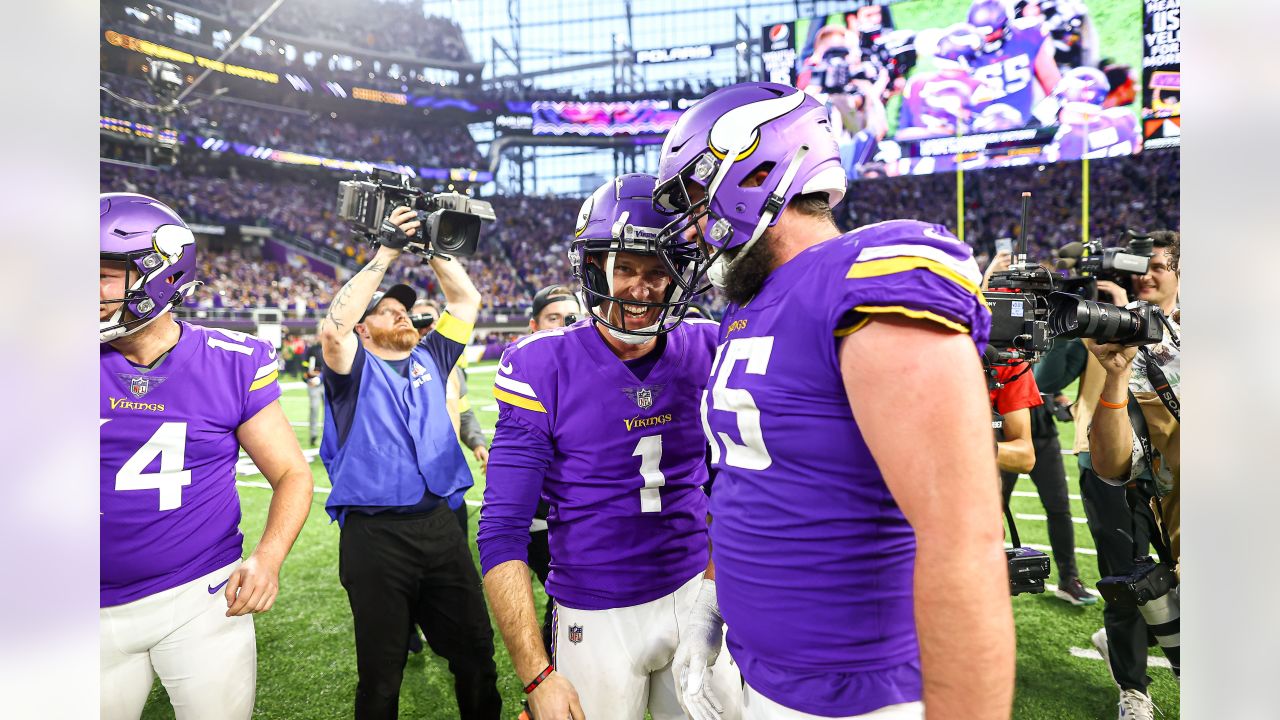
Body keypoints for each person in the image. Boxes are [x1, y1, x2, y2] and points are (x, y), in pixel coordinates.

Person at [652, 83, 1013, 720]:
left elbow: (964, 542)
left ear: (751, 168)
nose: (693, 227)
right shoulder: (750, 306)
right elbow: (751, 477)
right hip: (765, 672)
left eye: (694, 196)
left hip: (861, 696)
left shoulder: (866, 277)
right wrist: (716, 599)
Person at [478, 173, 741, 720]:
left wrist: (716, 596)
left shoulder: (708, 348)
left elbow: (738, 486)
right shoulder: (540, 365)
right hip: (594, 612)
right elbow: (502, 531)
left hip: (695, 592)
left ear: (680, 277)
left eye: (657, 272)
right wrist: (537, 674)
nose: (640, 289)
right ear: (595, 267)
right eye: (625, 269)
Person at [99, 193, 314, 720]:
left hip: (200, 595)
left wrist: (268, 556)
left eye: (106, 273)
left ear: (163, 276)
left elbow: (290, 471)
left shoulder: (231, 361)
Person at [316, 205, 500, 719]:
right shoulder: (350, 367)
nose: (401, 311)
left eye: (403, 307)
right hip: (376, 539)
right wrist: (387, 252)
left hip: (441, 526)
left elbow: (466, 298)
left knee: (476, 655)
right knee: (381, 674)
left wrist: (434, 249)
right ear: (365, 328)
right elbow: (334, 330)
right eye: (386, 310)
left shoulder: (433, 356)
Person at [1084, 231, 1181, 718]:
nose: (1146, 274)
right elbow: (1114, 460)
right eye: (1139, 266)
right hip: (1120, 467)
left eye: (1158, 266)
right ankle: (1133, 689)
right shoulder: (1110, 322)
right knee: (1126, 578)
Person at [982, 253, 1096, 606]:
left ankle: (1069, 578)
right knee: (995, 504)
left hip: (1034, 422)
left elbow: (1051, 377)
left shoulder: (1033, 351)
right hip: (1005, 421)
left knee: (1058, 506)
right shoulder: (1005, 332)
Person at [303, 330, 324, 447]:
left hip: (328, 383)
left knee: (329, 412)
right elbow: (305, 365)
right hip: (314, 383)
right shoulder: (312, 349)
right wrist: (307, 377)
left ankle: (328, 436)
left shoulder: (332, 348)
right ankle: (313, 434)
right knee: (314, 408)